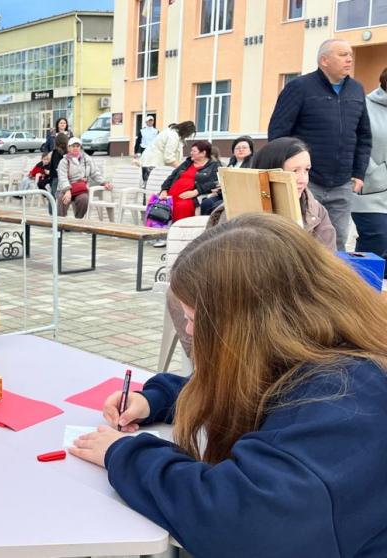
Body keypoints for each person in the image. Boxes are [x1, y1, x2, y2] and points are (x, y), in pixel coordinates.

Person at [69, 213, 387, 557]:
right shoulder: (328, 350)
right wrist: (154, 401)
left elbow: (238, 521)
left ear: (245, 325)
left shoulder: (343, 400)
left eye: (193, 318)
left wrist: (124, 454)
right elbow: (250, 383)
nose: (189, 331)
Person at [166, 137, 337, 358]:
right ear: (270, 173)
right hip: (242, 291)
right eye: (294, 171)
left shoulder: (315, 211)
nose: (302, 179)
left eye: (306, 170)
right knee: (180, 295)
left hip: (296, 299)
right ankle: (208, 365)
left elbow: (327, 263)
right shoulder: (238, 207)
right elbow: (220, 262)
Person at [268, 38, 372, 251]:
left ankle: (331, 284)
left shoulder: (356, 90)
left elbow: (364, 136)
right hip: (305, 180)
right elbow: (278, 133)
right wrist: (287, 173)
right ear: (324, 60)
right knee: (298, 238)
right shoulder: (299, 87)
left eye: (350, 55)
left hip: (343, 182)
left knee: (337, 240)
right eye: (343, 55)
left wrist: (358, 173)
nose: (349, 59)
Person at [352, 66, 387, 259]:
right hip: (373, 192)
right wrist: (374, 170)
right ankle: (363, 287)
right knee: (377, 243)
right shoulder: (364, 105)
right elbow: (356, 140)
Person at [157, 140, 219, 222]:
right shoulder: (187, 163)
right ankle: (158, 232)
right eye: (191, 150)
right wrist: (164, 190)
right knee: (158, 205)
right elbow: (171, 177)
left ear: (203, 153)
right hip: (170, 195)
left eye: (194, 151)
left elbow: (213, 183)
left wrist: (196, 191)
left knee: (182, 206)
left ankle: (180, 232)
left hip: (189, 196)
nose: (191, 153)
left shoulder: (214, 166)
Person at [57, 137, 112, 219]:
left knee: (84, 199)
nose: (75, 148)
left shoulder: (87, 159)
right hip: (67, 187)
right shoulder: (64, 161)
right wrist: (67, 190)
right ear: (68, 148)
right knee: (62, 199)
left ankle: (78, 221)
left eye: (77, 146)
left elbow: (95, 173)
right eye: (73, 146)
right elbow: (62, 177)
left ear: (80, 147)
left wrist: (104, 182)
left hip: (80, 188)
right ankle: (61, 223)